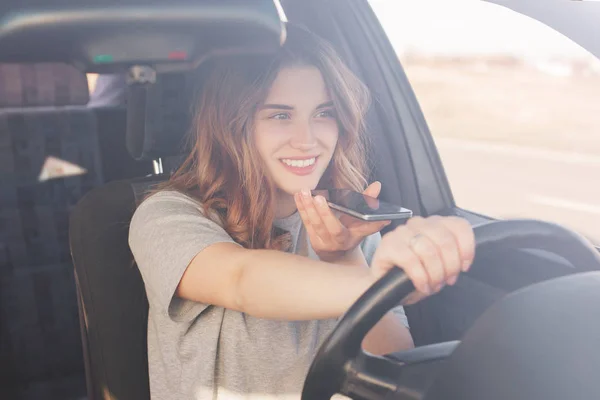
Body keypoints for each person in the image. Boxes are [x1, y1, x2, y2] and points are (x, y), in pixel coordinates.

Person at [128, 24, 475, 400]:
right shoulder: (165, 216)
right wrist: (390, 284)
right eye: (280, 116)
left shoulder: (346, 225)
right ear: (233, 126)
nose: (307, 139)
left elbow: (392, 364)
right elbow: (241, 280)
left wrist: (346, 258)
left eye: (324, 113)